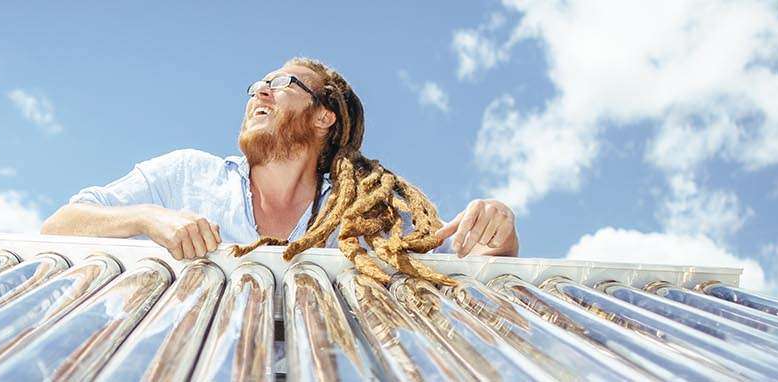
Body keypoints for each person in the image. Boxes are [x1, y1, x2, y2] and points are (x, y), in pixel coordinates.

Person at [41, 57, 517, 281]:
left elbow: (456, 267)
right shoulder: (186, 175)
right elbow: (59, 226)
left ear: (323, 117)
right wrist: (148, 217)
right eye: (257, 84)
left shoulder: (362, 212)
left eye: (283, 83)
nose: (259, 92)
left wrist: (498, 238)